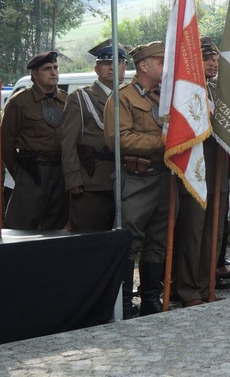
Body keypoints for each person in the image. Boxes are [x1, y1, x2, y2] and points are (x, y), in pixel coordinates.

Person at [104, 41, 171, 317]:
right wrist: (162, 141)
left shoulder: (162, 98)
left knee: (157, 240)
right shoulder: (122, 98)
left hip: (163, 178)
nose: (166, 68)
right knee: (129, 240)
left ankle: (151, 298)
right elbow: (118, 139)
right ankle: (124, 301)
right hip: (137, 179)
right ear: (144, 66)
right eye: (161, 62)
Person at [174, 38, 230, 307]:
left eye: (215, 59)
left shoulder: (217, 90)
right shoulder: (186, 91)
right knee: (193, 231)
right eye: (206, 59)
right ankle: (188, 289)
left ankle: (206, 284)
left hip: (218, 168)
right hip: (196, 168)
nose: (213, 63)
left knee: (214, 230)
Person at [60, 40, 126, 231]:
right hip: (92, 183)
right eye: (107, 63)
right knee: (87, 240)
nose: (113, 68)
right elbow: (68, 143)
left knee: (115, 244)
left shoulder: (127, 99)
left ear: (124, 68)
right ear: (96, 69)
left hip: (123, 183)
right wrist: (73, 179)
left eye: (119, 63)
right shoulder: (80, 98)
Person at [2, 51, 68, 230]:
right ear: (35, 74)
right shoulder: (20, 102)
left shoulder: (65, 100)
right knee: (20, 228)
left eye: (55, 67)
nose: (54, 72)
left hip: (61, 171)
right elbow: (5, 142)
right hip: (33, 170)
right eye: (47, 69)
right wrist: (19, 172)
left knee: (56, 229)